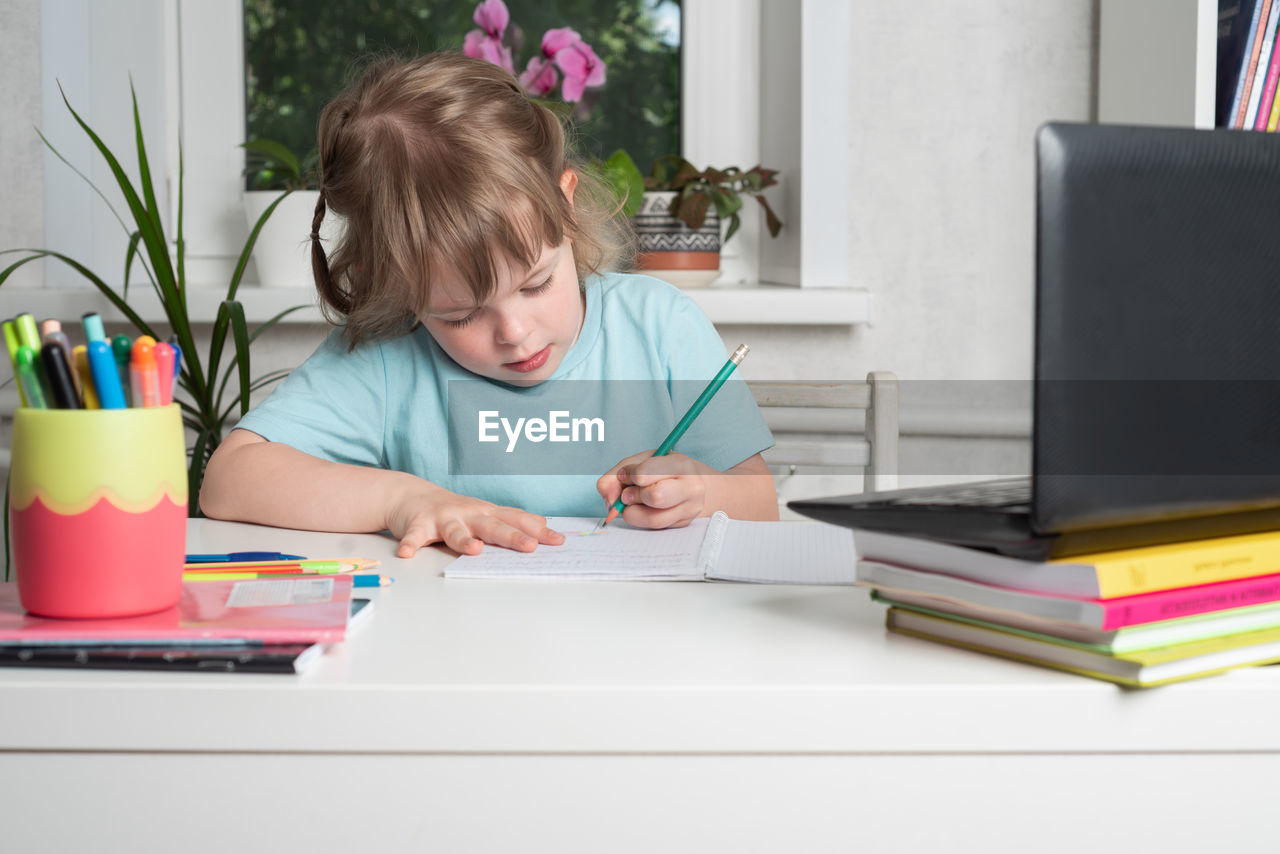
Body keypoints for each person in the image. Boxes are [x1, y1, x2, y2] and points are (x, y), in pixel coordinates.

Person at [199, 52, 778, 557]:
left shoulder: (660, 326)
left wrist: (700, 492)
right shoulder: (389, 356)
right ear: (396, 286)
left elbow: (760, 503)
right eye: (459, 315)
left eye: (535, 284)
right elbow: (227, 480)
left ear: (566, 204)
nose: (517, 334)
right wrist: (405, 499)